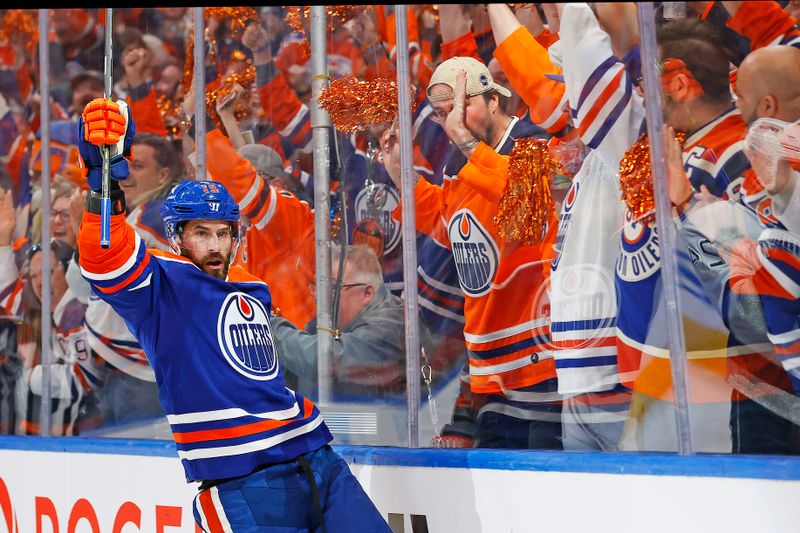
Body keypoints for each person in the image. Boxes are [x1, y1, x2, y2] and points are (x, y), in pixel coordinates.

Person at [76, 97, 390, 532]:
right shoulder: (162, 284)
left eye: (223, 233)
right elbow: (104, 256)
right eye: (201, 233)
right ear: (177, 237)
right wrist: (102, 188)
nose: (216, 245)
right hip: (242, 482)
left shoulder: (250, 283)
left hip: (318, 459)